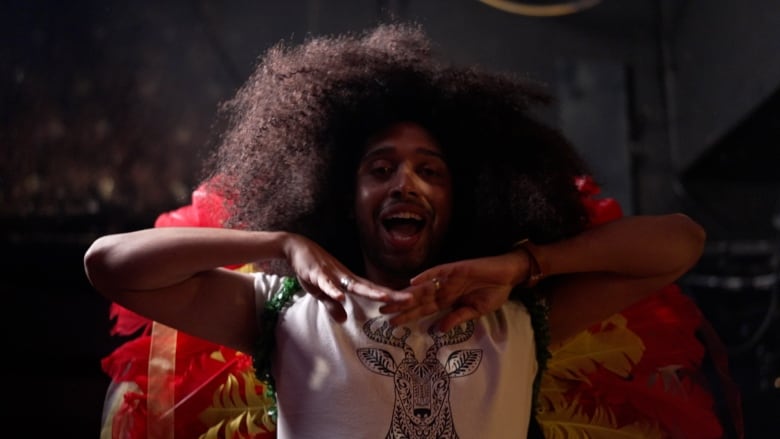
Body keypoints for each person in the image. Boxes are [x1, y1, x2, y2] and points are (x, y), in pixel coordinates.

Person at [85, 23, 708, 438]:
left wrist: (523, 267)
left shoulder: (515, 317)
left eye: (430, 171)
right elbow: (108, 263)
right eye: (380, 169)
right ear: (342, 196)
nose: (405, 183)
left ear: (463, 198)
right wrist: (280, 245)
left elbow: (681, 242)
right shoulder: (283, 314)